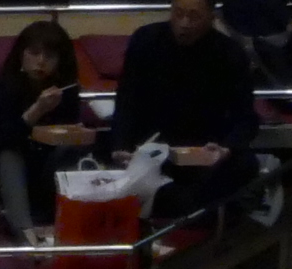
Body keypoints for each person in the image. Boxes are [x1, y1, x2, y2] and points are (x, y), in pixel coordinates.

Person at [111, 0, 262, 224]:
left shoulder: (230, 53)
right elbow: (126, 100)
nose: (184, 23)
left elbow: (246, 118)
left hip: (204, 152)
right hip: (149, 149)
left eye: (194, 16)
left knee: (245, 164)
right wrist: (121, 146)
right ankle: (184, 208)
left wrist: (226, 148)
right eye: (178, 13)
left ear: (211, 17)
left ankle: (180, 206)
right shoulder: (146, 39)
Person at [0, 21, 100, 244]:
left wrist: (75, 133)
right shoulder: (4, 86)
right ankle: (26, 235)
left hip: (42, 170)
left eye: (49, 56)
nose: (41, 61)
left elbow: (64, 133)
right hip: (2, 173)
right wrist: (36, 111)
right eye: (34, 53)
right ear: (21, 55)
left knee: (72, 152)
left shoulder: (65, 89)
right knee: (10, 155)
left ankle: (73, 226)